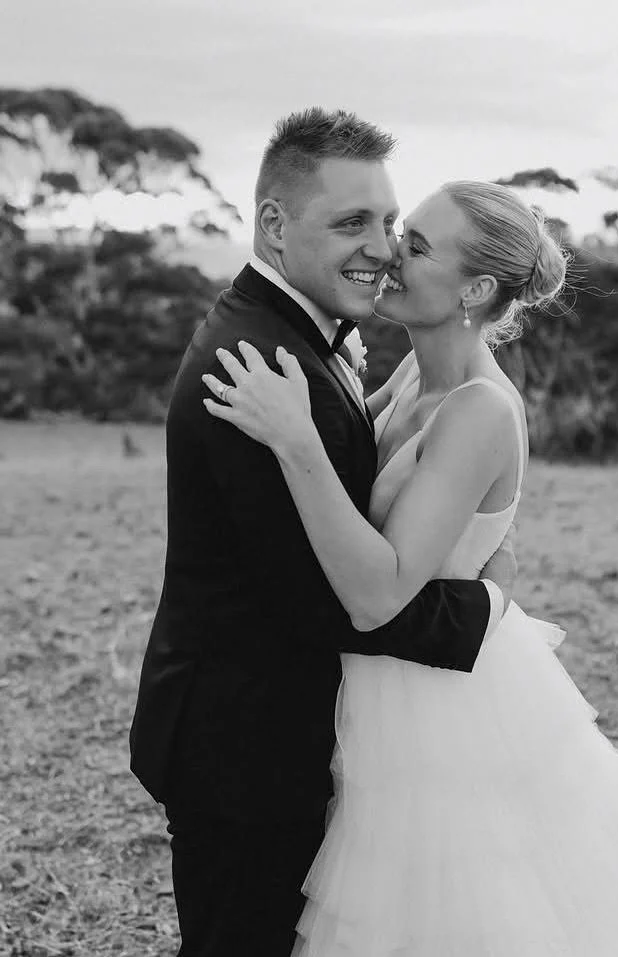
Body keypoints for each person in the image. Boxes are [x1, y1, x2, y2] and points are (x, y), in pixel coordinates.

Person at [204, 179, 618, 955]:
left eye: (418, 246)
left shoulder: (480, 409)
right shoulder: (409, 376)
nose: (391, 253)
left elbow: (377, 592)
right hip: (385, 685)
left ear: (473, 288)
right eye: (405, 231)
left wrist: (297, 440)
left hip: (444, 706)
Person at [128, 109, 519, 957]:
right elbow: (323, 596)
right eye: (355, 223)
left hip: (281, 732)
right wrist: (483, 611)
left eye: (391, 223)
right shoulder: (261, 369)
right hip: (243, 749)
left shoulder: (299, 340)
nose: (381, 247)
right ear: (274, 223)